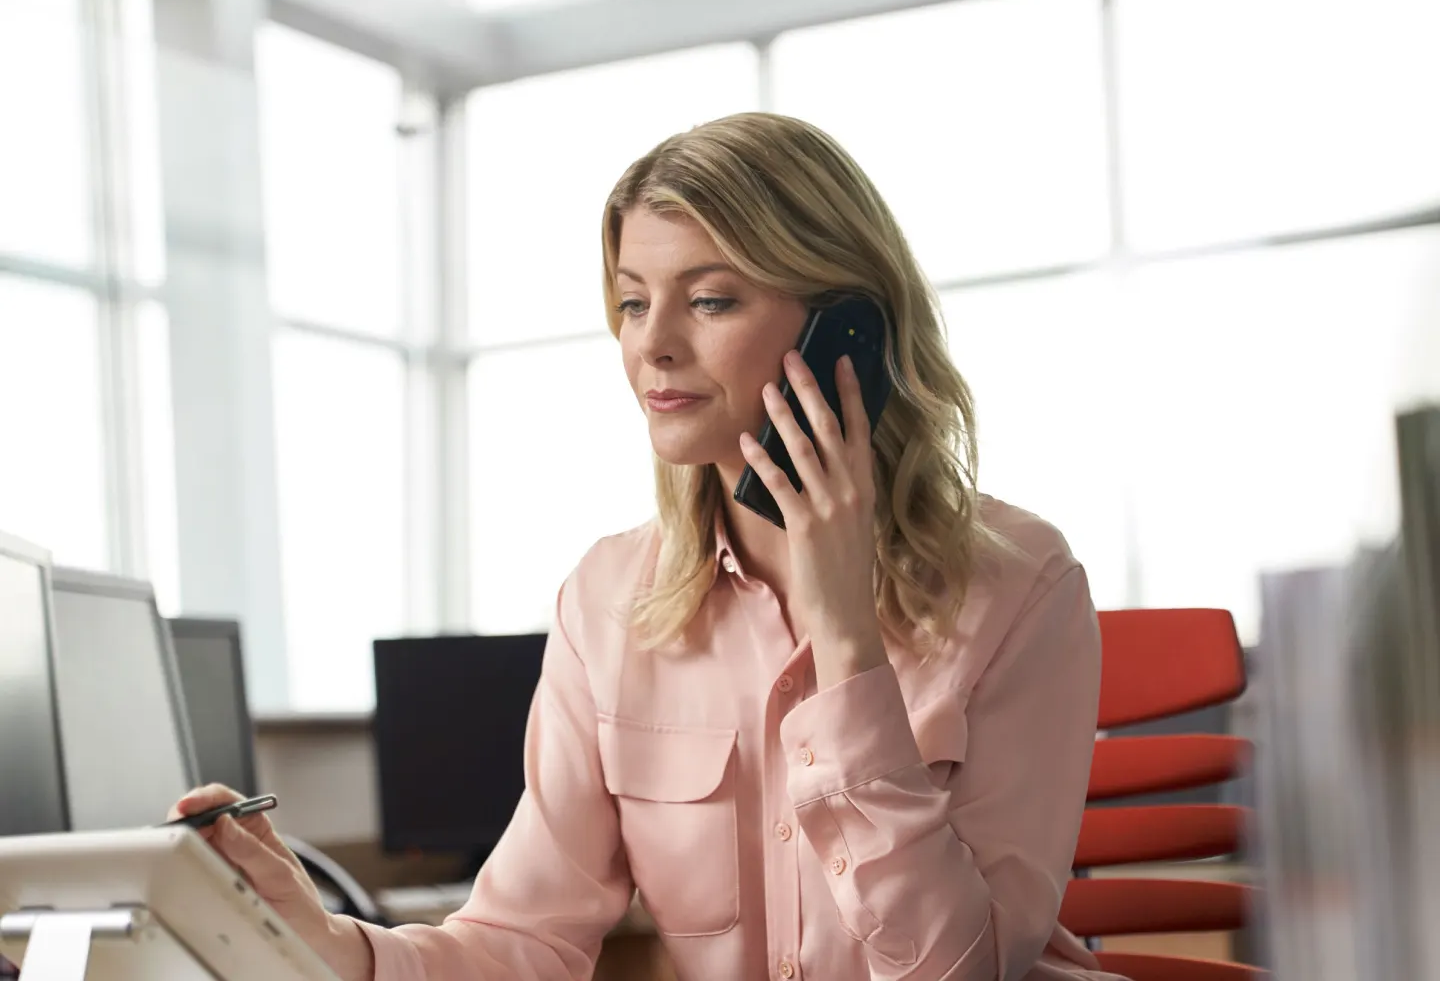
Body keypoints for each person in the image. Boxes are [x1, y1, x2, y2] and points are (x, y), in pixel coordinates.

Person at [170, 112, 1123, 981]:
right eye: (632, 303)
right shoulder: (607, 602)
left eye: (709, 301)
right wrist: (332, 946)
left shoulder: (1021, 586)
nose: (653, 346)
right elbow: (521, 940)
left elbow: (958, 970)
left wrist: (844, 637)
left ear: (849, 331)